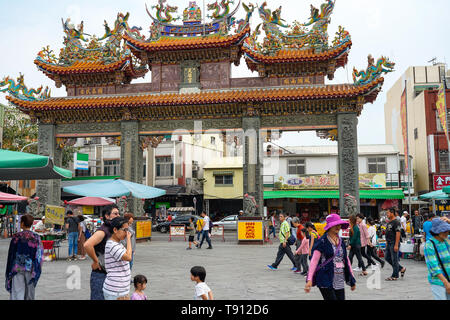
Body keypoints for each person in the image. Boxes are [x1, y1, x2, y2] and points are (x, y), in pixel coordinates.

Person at [305, 214, 356, 300]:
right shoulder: (322, 241)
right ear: (329, 226)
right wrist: (309, 279)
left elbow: (346, 259)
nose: (338, 227)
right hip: (325, 277)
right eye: (335, 225)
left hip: (339, 278)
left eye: (339, 224)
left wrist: (351, 277)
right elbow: (314, 261)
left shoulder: (341, 241)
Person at [84, 205, 120, 300]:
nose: (118, 215)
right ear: (107, 216)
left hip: (111, 275)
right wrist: (96, 261)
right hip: (101, 275)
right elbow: (87, 245)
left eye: (118, 213)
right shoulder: (103, 231)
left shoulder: (113, 230)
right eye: (115, 213)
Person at [5, 214, 44, 300]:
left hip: (17, 268)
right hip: (31, 268)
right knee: (30, 293)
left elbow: (11, 254)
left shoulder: (16, 237)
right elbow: (39, 255)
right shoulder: (36, 237)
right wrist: (37, 268)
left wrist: (9, 269)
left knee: (17, 293)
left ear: (22, 223)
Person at [103, 217, 132, 300]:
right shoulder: (112, 245)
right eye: (124, 230)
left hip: (120, 289)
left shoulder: (118, 243)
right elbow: (128, 257)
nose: (127, 233)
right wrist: (129, 239)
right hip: (115, 290)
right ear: (115, 230)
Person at [423, 218, 450, 300]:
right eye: (444, 230)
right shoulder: (429, 245)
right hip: (438, 281)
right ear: (437, 232)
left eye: (447, 230)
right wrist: (445, 282)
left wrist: (449, 221)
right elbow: (434, 267)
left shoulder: (446, 240)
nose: (447, 232)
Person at [384, 208, 406, 281]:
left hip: (394, 242)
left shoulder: (396, 222)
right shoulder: (389, 222)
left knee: (394, 259)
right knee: (387, 257)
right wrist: (386, 241)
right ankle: (401, 268)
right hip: (389, 242)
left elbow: (398, 233)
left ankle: (395, 275)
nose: (387, 215)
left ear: (392, 213)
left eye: (388, 213)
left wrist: (396, 244)